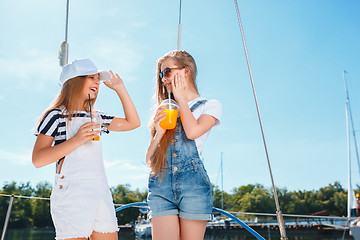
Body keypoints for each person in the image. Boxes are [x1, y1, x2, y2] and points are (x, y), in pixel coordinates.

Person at [32, 59, 140, 240]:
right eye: (91, 78)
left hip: (100, 191)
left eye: (98, 79)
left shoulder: (97, 117)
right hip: (71, 193)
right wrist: (77, 140)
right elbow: (38, 159)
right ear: (74, 81)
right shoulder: (56, 115)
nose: (97, 83)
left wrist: (120, 88)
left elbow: (133, 123)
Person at [146, 50, 222, 240]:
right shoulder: (164, 109)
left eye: (167, 72)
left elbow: (192, 131)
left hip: (193, 186)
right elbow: (149, 159)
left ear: (186, 71)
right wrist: (159, 132)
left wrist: (181, 100)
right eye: (161, 75)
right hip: (160, 185)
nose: (163, 79)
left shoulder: (210, 105)